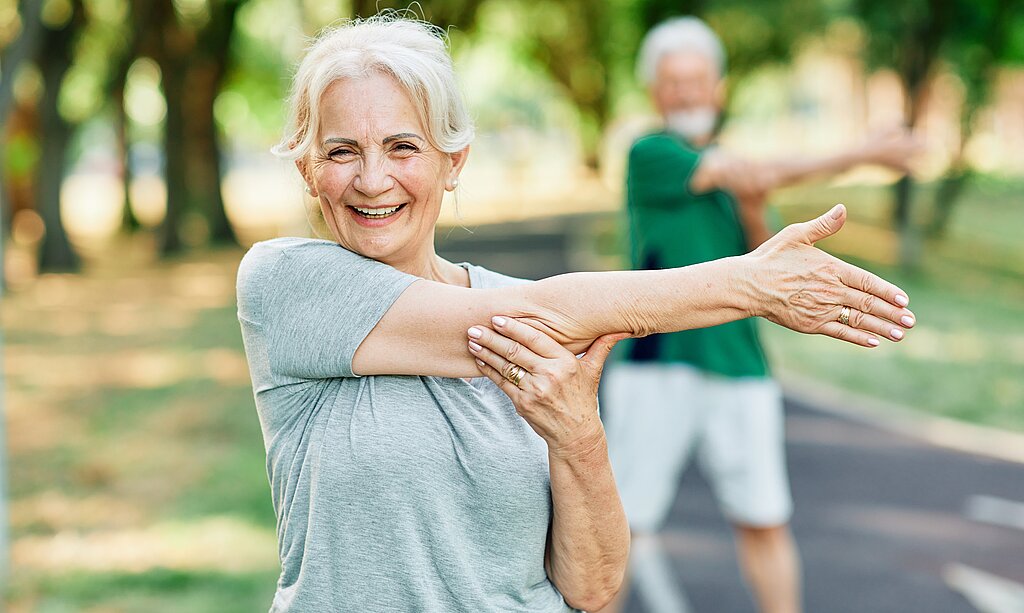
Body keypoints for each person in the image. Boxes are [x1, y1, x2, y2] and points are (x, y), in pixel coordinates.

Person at [235, 14, 916, 613]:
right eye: (340, 151)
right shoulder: (286, 284)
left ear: (453, 161)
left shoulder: (532, 312)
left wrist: (580, 436)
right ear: (306, 170)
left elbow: (590, 586)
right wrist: (753, 284)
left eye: (402, 146)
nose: (372, 179)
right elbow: (535, 313)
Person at [598, 17, 921, 613]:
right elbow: (744, 169)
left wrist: (752, 204)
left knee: (764, 521)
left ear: (718, 88)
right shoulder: (653, 154)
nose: (687, 92)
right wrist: (863, 153)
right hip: (657, 363)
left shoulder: (737, 172)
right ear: (654, 93)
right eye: (673, 82)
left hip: (739, 364)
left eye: (698, 80)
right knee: (620, 527)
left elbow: (766, 253)